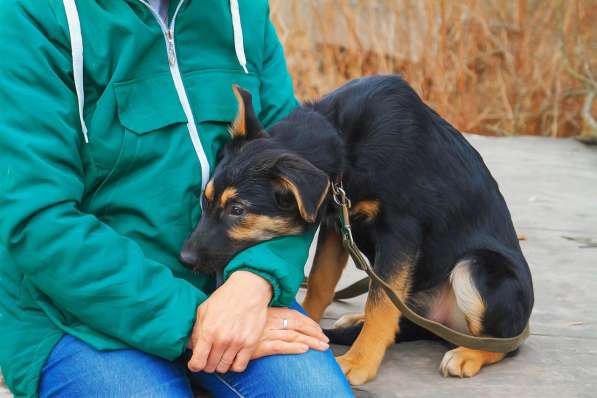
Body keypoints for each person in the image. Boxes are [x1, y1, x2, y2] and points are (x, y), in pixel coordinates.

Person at [0, 0, 354, 397]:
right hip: (78, 314)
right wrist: (191, 320)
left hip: (232, 294)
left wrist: (256, 281)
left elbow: (294, 165)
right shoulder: (31, 14)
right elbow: (39, 221)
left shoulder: (240, 9)